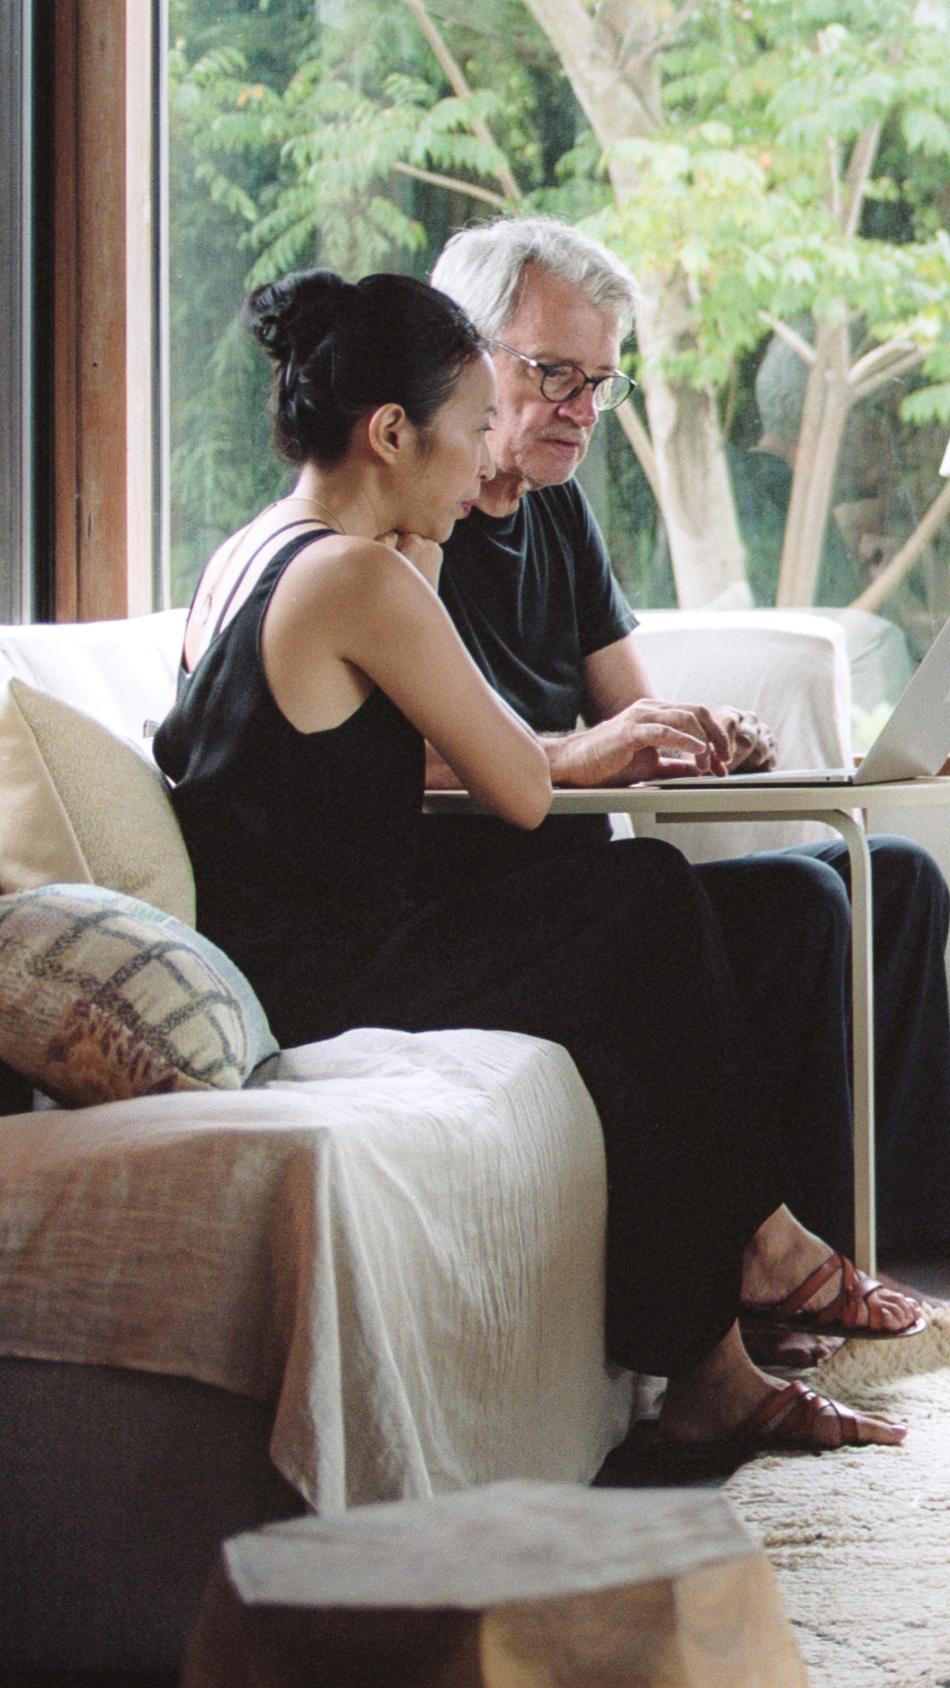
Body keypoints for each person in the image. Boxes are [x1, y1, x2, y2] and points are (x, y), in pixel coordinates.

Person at [155, 269, 903, 1476]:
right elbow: (520, 785)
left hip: (285, 954)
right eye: (464, 433)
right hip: (330, 977)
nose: (479, 466)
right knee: (642, 899)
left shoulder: (243, 555)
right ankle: (735, 1299)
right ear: (390, 434)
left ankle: (723, 1320)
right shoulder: (360, 576)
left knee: (624, 936)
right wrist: (423, 566)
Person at [421, 215, 950, 1281]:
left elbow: (635, 717)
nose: (580, 411)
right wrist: (590, 752)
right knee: (803, 906)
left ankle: (886, 1256)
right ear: (462, 353)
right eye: (552, 374)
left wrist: (698, 736)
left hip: (597, 880)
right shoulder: (401, 535)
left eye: (600, 383)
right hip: (497, 904)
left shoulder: (558, 512)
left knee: (899, 878)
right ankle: (796, 1276)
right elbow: (407, 760)